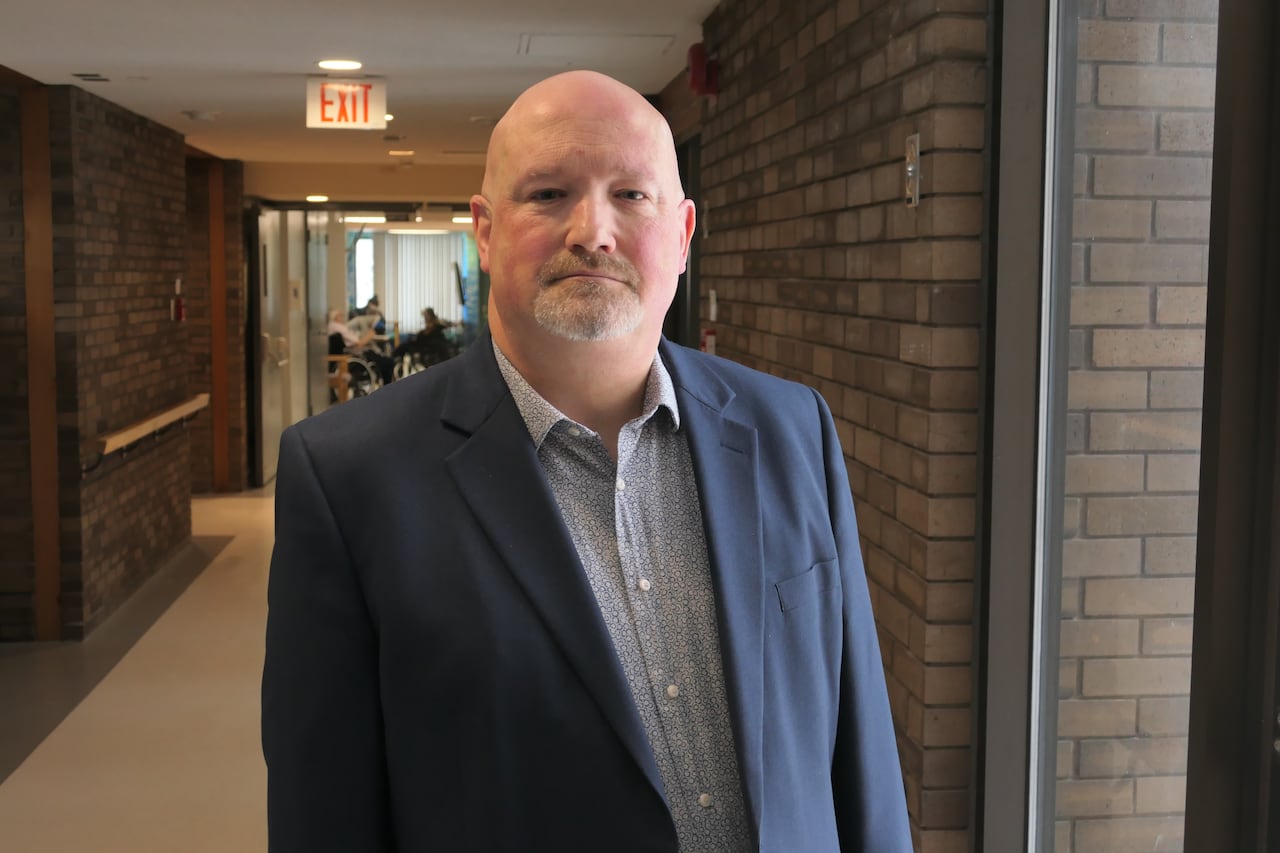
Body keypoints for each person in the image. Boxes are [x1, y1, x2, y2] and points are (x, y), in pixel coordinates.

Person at [263, 70, 911, 852]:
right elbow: (324, 814)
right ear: (485, 228)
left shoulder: (790, 427)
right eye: (547, 194)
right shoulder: (349, 477)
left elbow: (859, 755)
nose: (592, 231)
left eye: (632, 195)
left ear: (682, 230)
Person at [327, 308, 393, 385]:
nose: (343, 317)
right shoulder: (339, 327)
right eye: (341, 315)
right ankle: (387, 386)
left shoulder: (332, 326)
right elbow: (359, 343)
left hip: (354, 352)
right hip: (357, 353)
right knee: (388, 362)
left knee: (384, 360)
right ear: (336, 317)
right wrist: (372, 333)